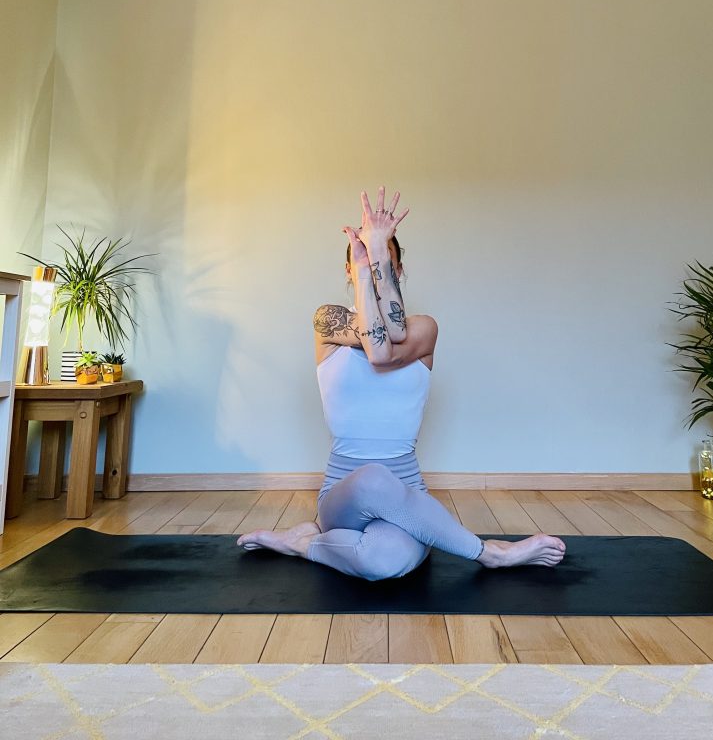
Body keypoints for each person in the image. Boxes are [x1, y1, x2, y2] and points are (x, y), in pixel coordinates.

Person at [237, 186, 566, 580]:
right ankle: (491, 553)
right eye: (365, 263)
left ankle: (302, 542)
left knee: (384, 562)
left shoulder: (424, 329)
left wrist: (376, 250)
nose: (378, 271)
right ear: (348, 271)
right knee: (374, 477)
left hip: (408, 498)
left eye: (387, 266)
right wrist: (367, 261)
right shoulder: (327, 321)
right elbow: (377, 350)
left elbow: (388, 340)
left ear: (398, 271)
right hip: (342, 499)